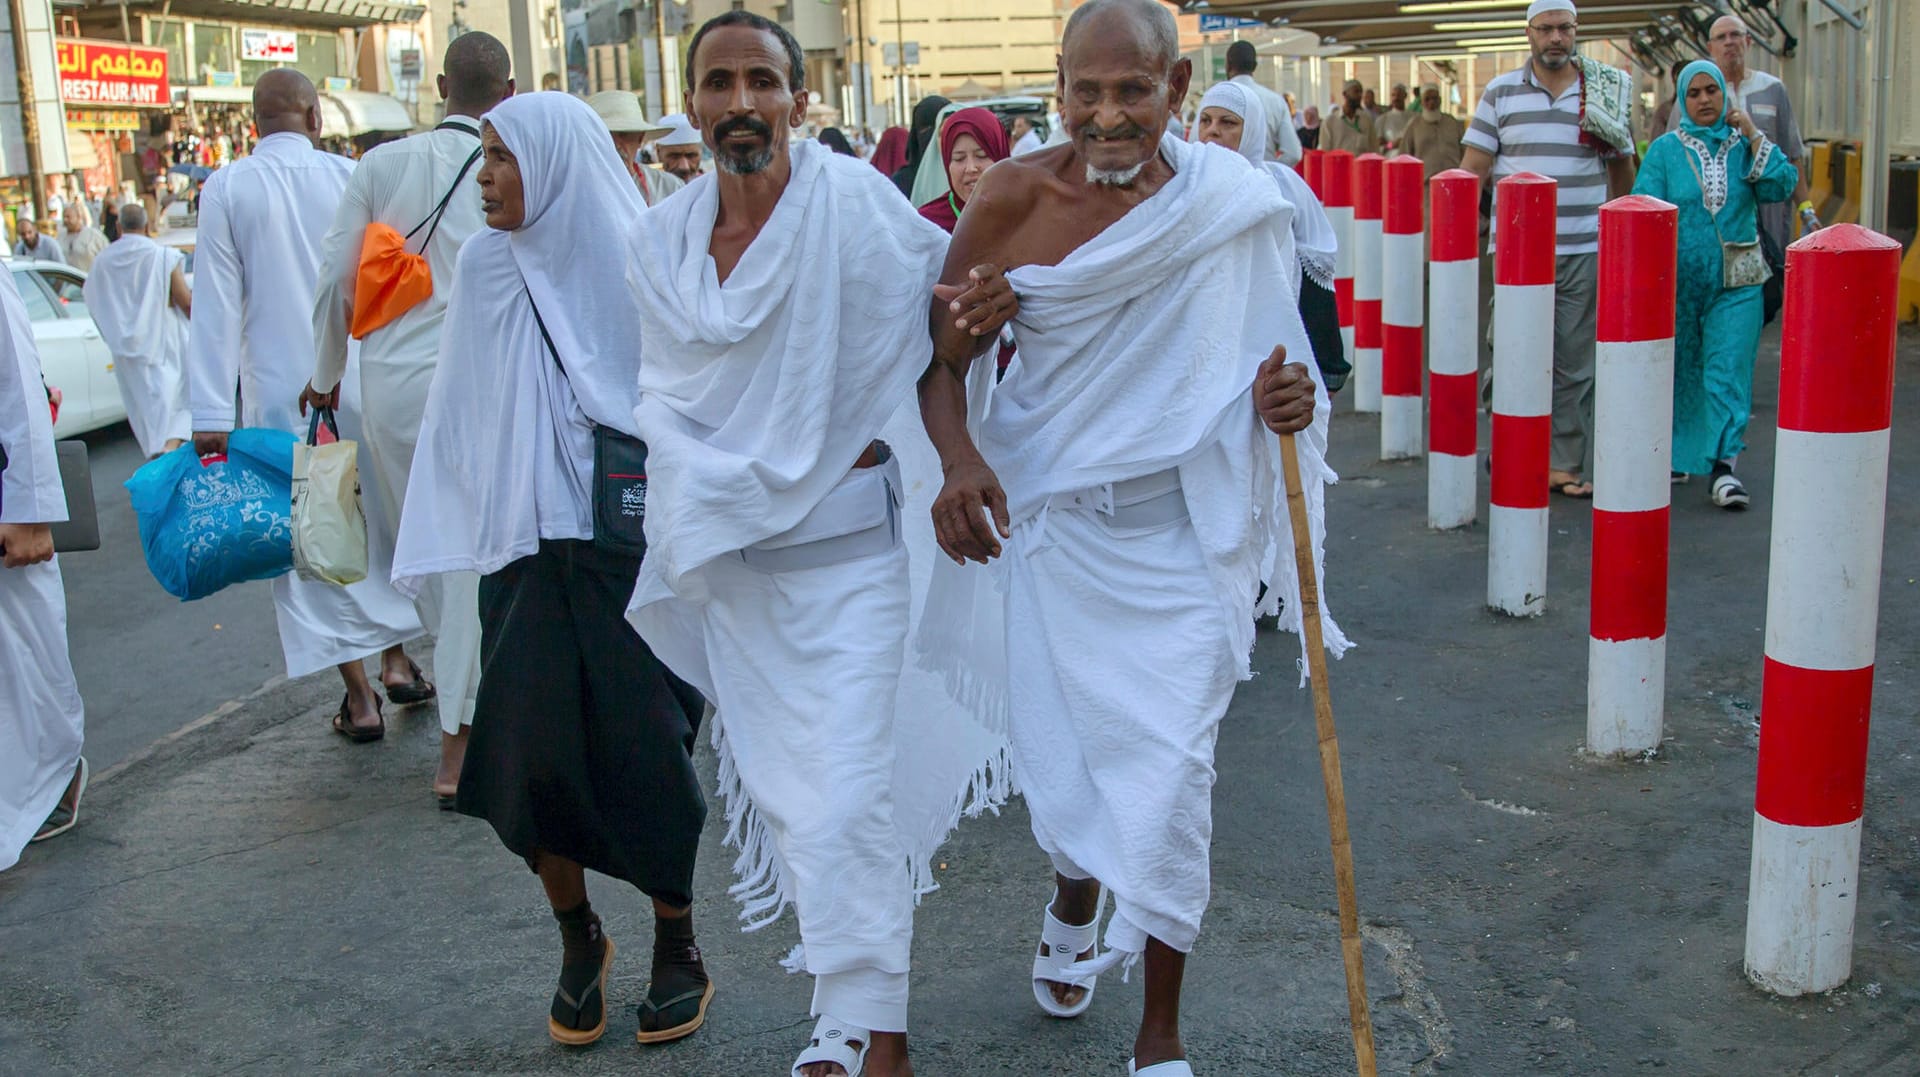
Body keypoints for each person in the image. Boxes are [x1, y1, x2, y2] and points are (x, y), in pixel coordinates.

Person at [917, 1, 1340, 1073]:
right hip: (1057, 535)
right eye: (1087, 92)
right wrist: (962, 462)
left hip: (1185, 542)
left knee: (1171, 778)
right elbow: (940, 364)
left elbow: (1270, 361)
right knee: (1069, 768)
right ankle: (1073, 889)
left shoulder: (1233, 206)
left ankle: (1159, 1035)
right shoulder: (1012, 197)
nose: (1109, 116)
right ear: (1059, 90)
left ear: (1177, 90)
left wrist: (1285, 404)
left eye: (1134, 92)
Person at [624, 14, 1014, 1077]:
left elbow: (936, 342)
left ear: (799, 101)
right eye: (719, 83)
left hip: (849, 564)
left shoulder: (854, 209)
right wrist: (711, 487)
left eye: (762, 81)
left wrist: (962, 443)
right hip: (735, 573)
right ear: (693, 102)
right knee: (798, 810)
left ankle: (883, 1038)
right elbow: (662, 396)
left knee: (845, 802)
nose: (741, 102)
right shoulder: (659, 244)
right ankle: (842, 1012)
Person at [391, 90, 713, 1049]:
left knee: (649, 749)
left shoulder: (642, 252)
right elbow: (462, 408)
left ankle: (677, 939)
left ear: (557, 165)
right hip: (526, 556)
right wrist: (459, 530)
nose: (483, 175)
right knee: (529, 758)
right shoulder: (488, 267)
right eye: (482, 153)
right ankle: (578, 938)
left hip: (627, 547)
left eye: (502, 156)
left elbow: (691, 389)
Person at [301, 34, 512, 805]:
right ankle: (460, 738)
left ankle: (465, 709)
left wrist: (324, 379)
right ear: (508, 88)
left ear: (442, 88)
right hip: (479, 385)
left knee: (432, 555)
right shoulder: (509, 161)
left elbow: (333, 285)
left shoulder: (380, 165)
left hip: (388, 391)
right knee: (467, 564)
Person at [187, 70, 427, 741]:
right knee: (377, 525)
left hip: (283, 405)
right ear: (316, 116)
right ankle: (399, 660)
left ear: (254, 123)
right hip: (358, 380)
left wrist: (210, 414)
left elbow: (215, 306)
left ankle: (359, 699)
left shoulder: (230, 186)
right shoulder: (349, 175)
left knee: (317, 544)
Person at [1461, 0, 1637, 498]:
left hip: (1585, 244)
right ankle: (1513, 443)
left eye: (1564, 28)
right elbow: (1475, 166)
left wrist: (1622, 234)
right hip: (1518, 250)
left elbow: (1622, 166)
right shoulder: (1500, 92)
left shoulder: (1601, 90)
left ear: (1576, 31)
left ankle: (1562, 463)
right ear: (1529, 33)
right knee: (1514, 349)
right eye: (1546, 29)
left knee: (1574, 359)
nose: (1555, 38)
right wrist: (1458, 238)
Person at [1633, 61, 1797, 510]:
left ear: (1726, 96)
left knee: (1727, 369)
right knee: (1683, 369)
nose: (1705, 100)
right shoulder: (1666, 151)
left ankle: (1724, 468)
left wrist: (1753, 134)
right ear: (1682, 100)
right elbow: (1643, 209)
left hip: (1739, 281)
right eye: (1694, 93)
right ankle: (1681, 454)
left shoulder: (1744, 147)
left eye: (1712, 91)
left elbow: (1782, 183)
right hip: (1680, 284)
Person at [0, 267, 87, 870]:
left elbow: (19, 391)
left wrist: (29, 508)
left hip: (8, 507)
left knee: (26, 648)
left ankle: (55, 776)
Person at [1197, 81, 1347, 394]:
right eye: (1205, 120)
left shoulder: (1280, 186)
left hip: (1273, 350)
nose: (1212, 131)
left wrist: (1328, 367)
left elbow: (1314, 275)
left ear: (1251, 130)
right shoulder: (1184, 190)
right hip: (1206, 357)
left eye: (1228, 123)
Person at [1663, 14, 1818, 248]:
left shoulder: (1772, 89)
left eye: (1735, 35)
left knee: (1772, 277)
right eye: (1721, 37)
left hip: (1770, 219)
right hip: (1711, 225)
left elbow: (1792, 154)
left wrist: (1807, 210)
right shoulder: (1693, 96)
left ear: (1748, 41)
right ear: (1710, 47)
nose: (1729, 42)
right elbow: (1672, 159)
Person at [79, 204, 192, 459]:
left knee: (147, 416)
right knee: (177, 404)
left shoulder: (102, 261)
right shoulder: (160, 255)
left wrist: (115, 332)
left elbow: (92, 300)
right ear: (147, 226)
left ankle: (160, 454)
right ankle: (167, 455)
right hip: (164, 345)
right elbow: (185, 302)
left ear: (118, 227)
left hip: (126, 354)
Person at [586, 90, 685, 206]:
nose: (615, 144)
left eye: (623, 135)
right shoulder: (574, 191)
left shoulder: (669, 188)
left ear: (640, 139)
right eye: (606, 135)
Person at [918, 106, 1009, 231]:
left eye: (981, 155)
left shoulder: (1027, 214)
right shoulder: (927, 225)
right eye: (959, 158)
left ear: (1001, 157)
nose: (970, 168)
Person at [1224, 39, 1302, 165]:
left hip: (1224, 180)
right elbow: (1293, 153)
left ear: (1227, 65)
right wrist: (1270, 173)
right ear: (1255, 66)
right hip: (1263, 179)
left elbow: (1194, 144)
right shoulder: (1275, 101)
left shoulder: (1213, 100)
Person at [1400, 83, 1465, 179]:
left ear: (1440, 100)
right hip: (1425, 183)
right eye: (1427, 99)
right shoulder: (1414, 125)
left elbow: (1464, 150)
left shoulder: (1452, 123)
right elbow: (1404, 155)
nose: (1431, 102)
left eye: (1434, 98)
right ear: (1421, 102)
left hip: (1453, 180)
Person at [891, 93, 951, 198]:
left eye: (939, 130)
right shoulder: (902, 181)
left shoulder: (965, 175)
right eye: (926, 128)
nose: (932, 137)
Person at [1322, 80, 1377, 154]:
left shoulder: (1366, 120)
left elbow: (1374, 147)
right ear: (1345, 94)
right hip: (1339, 164)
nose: (1360, 96)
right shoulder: (1330, 122)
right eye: (1356, 92)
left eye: (1361, 92)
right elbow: (1325, 151)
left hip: (1361, 164)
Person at [653, 113, 706, 183]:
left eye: (691, 156)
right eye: (675, 156)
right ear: (658, 153)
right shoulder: (649, 190)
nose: (684, 167)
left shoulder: (716, 188)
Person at [58, 205, 109, 273]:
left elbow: (107, 256)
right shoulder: (60, 237)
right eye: (64, 217)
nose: (65, 220)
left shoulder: (93, 235)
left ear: (78, 217)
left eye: (68, 217)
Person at [1378, 82, 1413, 151]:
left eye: (1399, 95)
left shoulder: (1413, 117)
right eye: (1393, 95)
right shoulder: (1383, 119)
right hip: (1390, 158)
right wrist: (1392, 145)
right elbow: (1380, 146)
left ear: (1405, 95)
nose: (1396, 98)